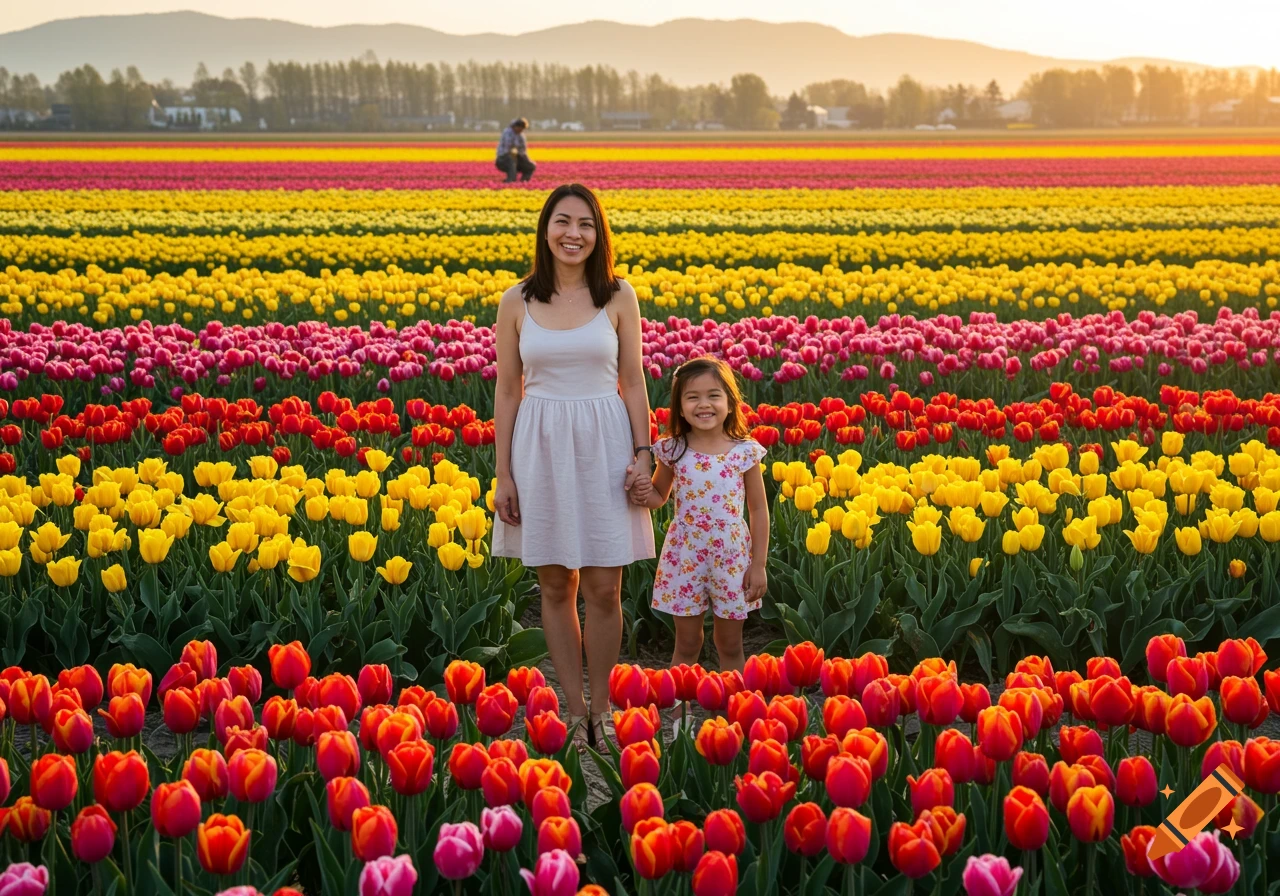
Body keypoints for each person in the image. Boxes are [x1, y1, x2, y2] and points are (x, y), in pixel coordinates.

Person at [491, 183, 655, 749]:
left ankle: (604, 708)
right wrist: (504, 473)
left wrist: (643, 454)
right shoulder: (517, 300)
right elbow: (508, 391)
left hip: (605, 442)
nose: (573, 234)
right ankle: (574, 704)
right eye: (562, 222)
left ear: (598, 234)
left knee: (606, 586)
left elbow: (633, 382)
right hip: (539, 445)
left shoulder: (617, 296)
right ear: (545, 230)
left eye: (585, 224)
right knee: (556, 584)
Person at [630, 358, 769, 676]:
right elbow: (657, 497)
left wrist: (758, 564)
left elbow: (759, 509)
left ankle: (735, 712)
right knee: (688, 642)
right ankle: (680, 717)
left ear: (730, 403)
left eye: (713, 395)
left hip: (732, 558)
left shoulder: (743, 452)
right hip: (686, 555)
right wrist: (640, 490)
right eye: (692, 397)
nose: (703, 404)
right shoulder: (673, 449)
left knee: (730, 644)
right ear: (679, 406)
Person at [496, 117, 536, 183]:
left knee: (531, 166)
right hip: (503, 159)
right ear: (515, 126)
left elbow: (523, 150)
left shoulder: (521, 135)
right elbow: (508, 148)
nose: (521, 131)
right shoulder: (507, 132)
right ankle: (510, 181)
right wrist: (516, 155)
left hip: (516, 158)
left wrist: (526, 160)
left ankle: (523, 181)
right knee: (511, 161)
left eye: (523, 129)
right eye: (520, 128)